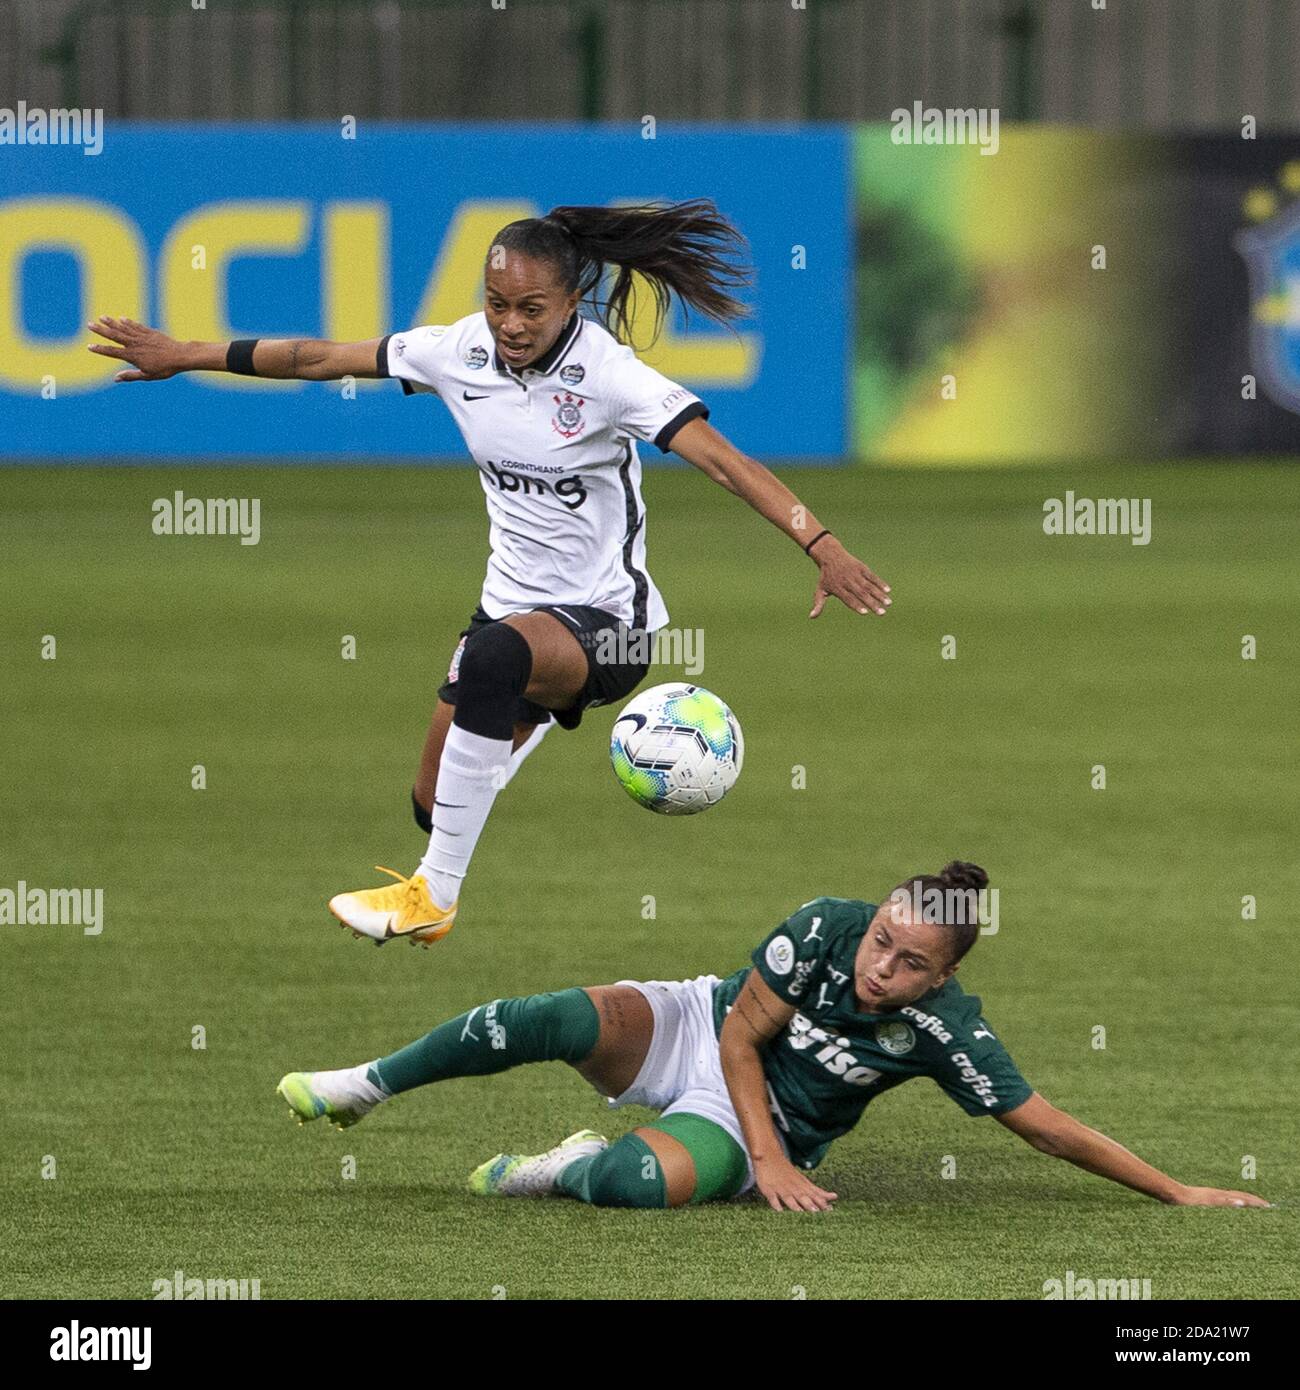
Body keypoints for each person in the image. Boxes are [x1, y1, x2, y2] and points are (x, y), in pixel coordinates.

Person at [87, 199, 892, 948]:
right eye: (497, 303)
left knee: (495, 660)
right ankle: (506, 748)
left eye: (530, 308)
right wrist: (183, 353)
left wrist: (820, 544)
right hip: (509, 615)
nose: (509, 323)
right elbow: (317, 354)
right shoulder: (457, 350)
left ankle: (434, 895)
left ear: (572, 300)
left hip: (610, 629)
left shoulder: (611, 376)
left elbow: (724, 463)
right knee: (432, 805)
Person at [275, 862, 1269, 1213]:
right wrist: (769, 1164)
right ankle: (366, 1082)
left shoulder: (943, 1030)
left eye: (910, 961)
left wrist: (1178, 1189)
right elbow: (742, 1036)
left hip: (761, 1118)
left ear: (946, 973)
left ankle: (557, 1166)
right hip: (703, 1030)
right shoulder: (824, 923)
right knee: (544, 1018)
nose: (881, 965)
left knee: (629, 1187)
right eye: (883, 938)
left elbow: (1046, 1127)